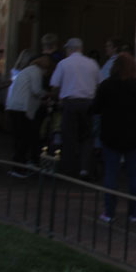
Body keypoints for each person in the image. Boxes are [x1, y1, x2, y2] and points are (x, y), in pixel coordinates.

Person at [93, 52, 136, 223]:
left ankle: (109, 211)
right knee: (134, 175)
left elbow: (96, 107)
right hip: (133, 134)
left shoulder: (106, 85)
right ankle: (134, 212)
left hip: (111, 134)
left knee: (111, 174)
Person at [49, 38, 101, 178]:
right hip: (88, 103)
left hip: (70, 103)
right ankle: (85, 168)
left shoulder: (64, 64)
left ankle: (69, 169)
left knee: (69, 136)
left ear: (70, 49)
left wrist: (57, 98)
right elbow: (98, 85)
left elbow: (55, 86)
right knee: (87, 137)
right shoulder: (92, 64)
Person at [5, 55, 50, 176]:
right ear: (44, 68)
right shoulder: (35, 72)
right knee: (23, 139)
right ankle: (18, 167)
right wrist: (47, 94)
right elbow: (36, 90)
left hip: (14, 106)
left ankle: (18, 165)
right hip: (22, 108)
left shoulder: (27, 71)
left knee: (19, 138)